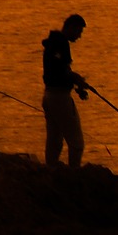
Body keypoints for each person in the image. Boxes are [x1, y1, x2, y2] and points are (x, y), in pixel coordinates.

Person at [42, 14, 90, 167]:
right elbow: (61, 71)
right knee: (77, 143)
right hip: (59, 98)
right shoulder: (61, 43)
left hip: (49, 95)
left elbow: (60, 70)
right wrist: (77, 80)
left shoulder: (54, 42)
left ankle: (50, 170)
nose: (80, 36)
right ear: (71, 27)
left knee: (55, 140)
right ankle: (74, 174)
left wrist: (76, 84)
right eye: (79, 31)